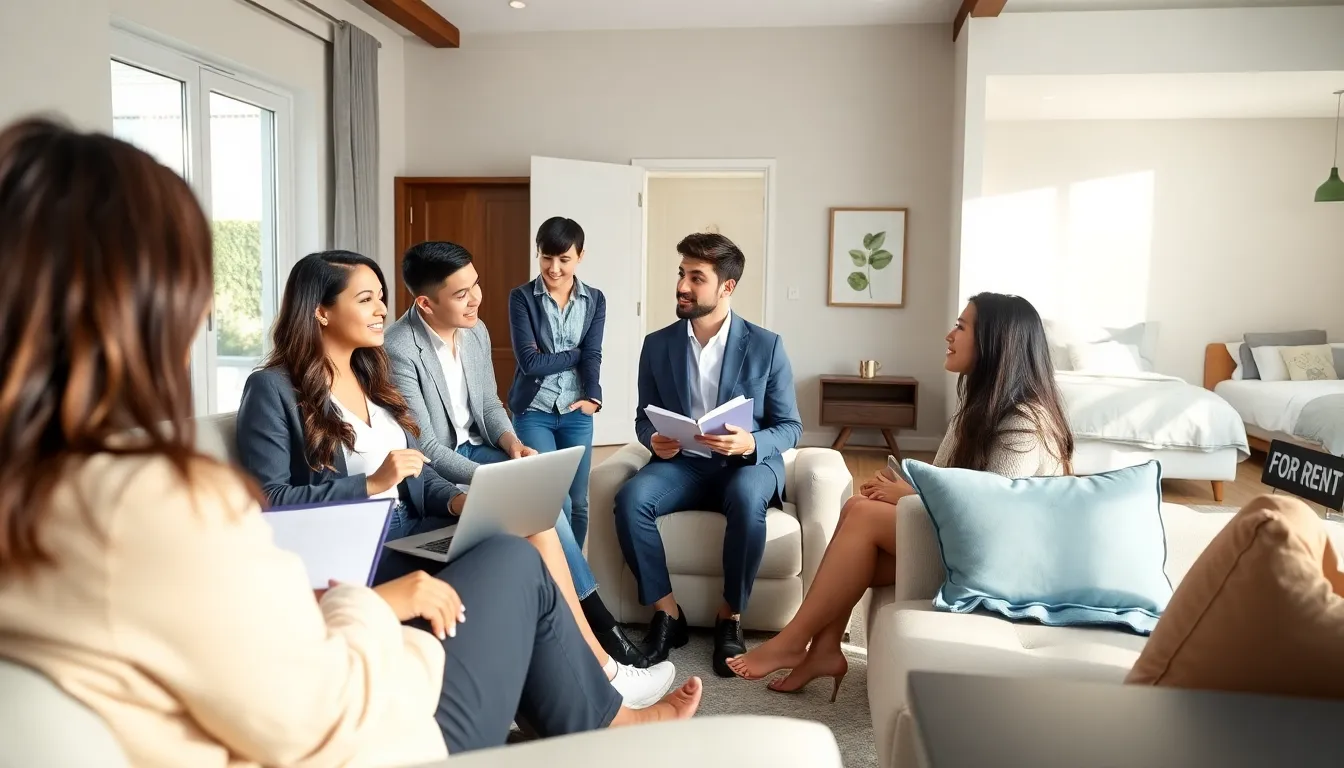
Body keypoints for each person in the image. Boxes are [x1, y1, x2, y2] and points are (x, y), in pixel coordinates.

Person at [0, 117, 701, 768]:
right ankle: (604, 712)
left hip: (382, 572)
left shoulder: (49, 492)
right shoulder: (167, 488)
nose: (206, 305)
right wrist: (378, 604)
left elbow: (419, 464)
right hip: (383, 720)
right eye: (193, 279)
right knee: (517, 565)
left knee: (520, 539)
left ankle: (601, 705)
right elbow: (303, 696)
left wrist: (455, 501)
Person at [235, 250, 674, 707]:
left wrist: (459, 501)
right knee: (520, 558)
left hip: (411, 528)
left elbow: (417, 473)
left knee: (533, 525)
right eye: (366, 300)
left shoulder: (371, 374)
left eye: (381, 297)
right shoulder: (273, 388)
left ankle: (603, 673)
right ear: (320, 312)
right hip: (362, 548)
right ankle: (607, 678)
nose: (382, 309)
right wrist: (369, 485)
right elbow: (267, 499)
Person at [727, 292, 1074, 697]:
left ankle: (794, 640)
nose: (949, 335)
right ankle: (823, 649)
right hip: (970, 543)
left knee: (861, 513)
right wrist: (905, 491)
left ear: (994, 342)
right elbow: (947, 479)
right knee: (859, 519)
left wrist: (909, 494)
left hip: (1003, 563)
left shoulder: (1025, 422)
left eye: (961, 327)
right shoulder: (977, 404)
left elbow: (989, 513)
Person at [385, 240, 649, 669]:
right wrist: (493, 479)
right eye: (462, 294)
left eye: (476, 285)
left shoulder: (475, 331)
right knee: (540, 506)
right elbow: (426, 445)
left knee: (548, 499)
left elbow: (489, 404)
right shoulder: (399, 347)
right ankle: (598, 622)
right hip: (438, 467)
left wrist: (511, 445)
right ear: (425, 304)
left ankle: (585, 617)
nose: (476, 299)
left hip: (481, 449)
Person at [614, 232, 803, 677]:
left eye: (696, 278)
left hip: (746, 464)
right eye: (681, 274)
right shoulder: (657, 344)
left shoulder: (766, 346)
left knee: (746, 496)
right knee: (630, 498)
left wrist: (751, 443)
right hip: (683, 464)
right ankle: (667, 615)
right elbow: (643, 417)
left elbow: (791, 427)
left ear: (727, 287)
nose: (682, 285)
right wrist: (653, 439)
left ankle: (729, 617)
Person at [508, 217, 604, 549]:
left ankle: (574, 573)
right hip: (534, 411)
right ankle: (553, 568)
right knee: (553, 499)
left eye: (564, 259)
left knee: (578, 502)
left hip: (577, 410)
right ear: (538, 253)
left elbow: (594, 354)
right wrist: (577, 353)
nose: (554, 268)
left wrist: (594, 397)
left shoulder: (595, 300)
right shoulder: (522, 298)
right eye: (546, 257)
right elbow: (530, 363)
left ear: (580, 256)